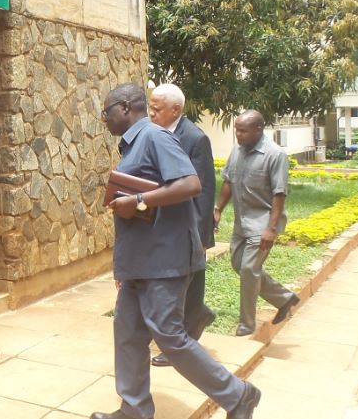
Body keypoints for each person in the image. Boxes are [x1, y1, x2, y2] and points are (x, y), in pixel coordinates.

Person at [91, 84, 261, 419]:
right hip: (139, 264)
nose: (104, 118)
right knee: (127, 334)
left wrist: (138, 200)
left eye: (107, 110)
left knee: (169, 337)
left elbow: (190, 184)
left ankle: (239, 395)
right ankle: (134, 409)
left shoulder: (155, 137)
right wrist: (123, 268)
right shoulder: (134, 145)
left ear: (125, 108)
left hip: (164, 262)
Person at [147, 84, 218, 370]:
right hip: (165, 225)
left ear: (175, 110)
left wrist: (199, 237)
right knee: (175, 285)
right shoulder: (156, 133)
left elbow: (203, 189)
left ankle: (183, 340)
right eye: (150, 107)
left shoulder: (194, 138)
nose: (151, 113)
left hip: (187, 228)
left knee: (185, 287)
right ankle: (197, 318)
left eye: (157, 108)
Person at [216, 110, 299, 337]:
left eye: (243, 131)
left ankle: (247, 323)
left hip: (262, 223)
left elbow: (279, 194)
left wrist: (271, 229)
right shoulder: (237, 151)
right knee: (239, 265)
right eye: (236, 130)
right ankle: (284, 298)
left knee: (248, 269)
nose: (238, 135)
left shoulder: (275, 155)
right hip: (241, 223)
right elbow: (228, 182)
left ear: (259, 129)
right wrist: (218, 209)